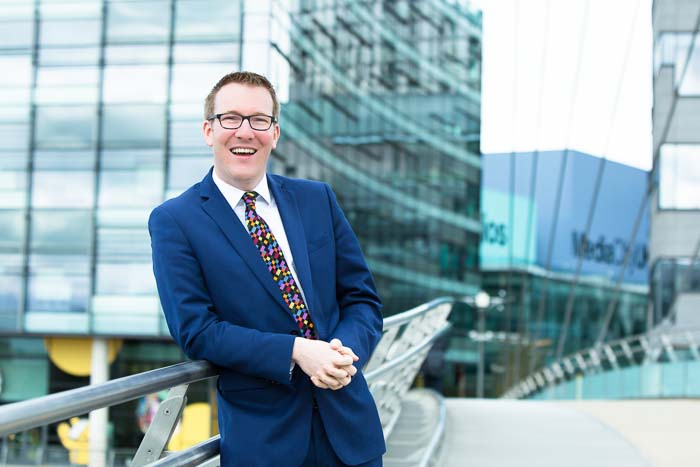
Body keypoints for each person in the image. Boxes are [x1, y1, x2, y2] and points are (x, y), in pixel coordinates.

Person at [148, 71, 385, 467]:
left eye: (260, 120)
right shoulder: (175, 220)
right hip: (264, 443)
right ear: (209, 130)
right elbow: (197, 330)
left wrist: (343, 352)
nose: (246, 131)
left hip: (351, 433)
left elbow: (361, 299)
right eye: (231, 119)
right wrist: (297, 351)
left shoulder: (317, 200)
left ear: (274, 133)